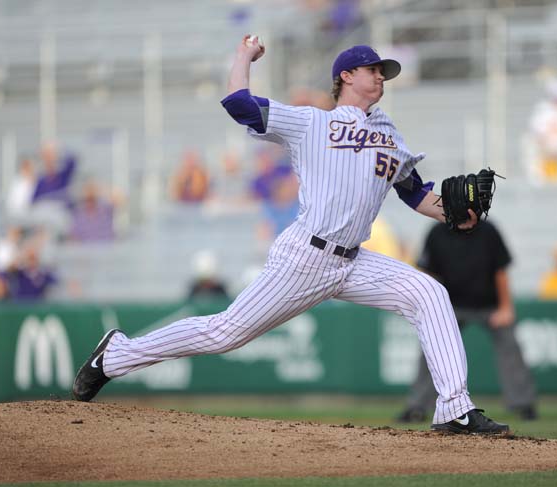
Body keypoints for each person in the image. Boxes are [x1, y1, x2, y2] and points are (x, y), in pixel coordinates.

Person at [72, 37, 509, 435]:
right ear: (346, 76)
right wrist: (243, 57)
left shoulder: (389, 133)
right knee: (226, 333)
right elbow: (238, 102)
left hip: (354, 261)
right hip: (307, 256)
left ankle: (454, 409)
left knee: (429, 294)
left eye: (384, 71)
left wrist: (456, 215)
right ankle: (116, 355)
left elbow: (415, 195)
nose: (381, 76)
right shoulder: (310, 124)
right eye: (373, 69)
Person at [396, 220, 537, 423]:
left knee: (510, 346)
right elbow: (428, 273)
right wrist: (428, 309)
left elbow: (501, 270)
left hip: (489, 305)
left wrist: (506, 307)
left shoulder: (488, 230)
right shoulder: (437, 232)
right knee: (431, 349)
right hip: (450, 306)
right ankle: (417, 406)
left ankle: (524, 403)